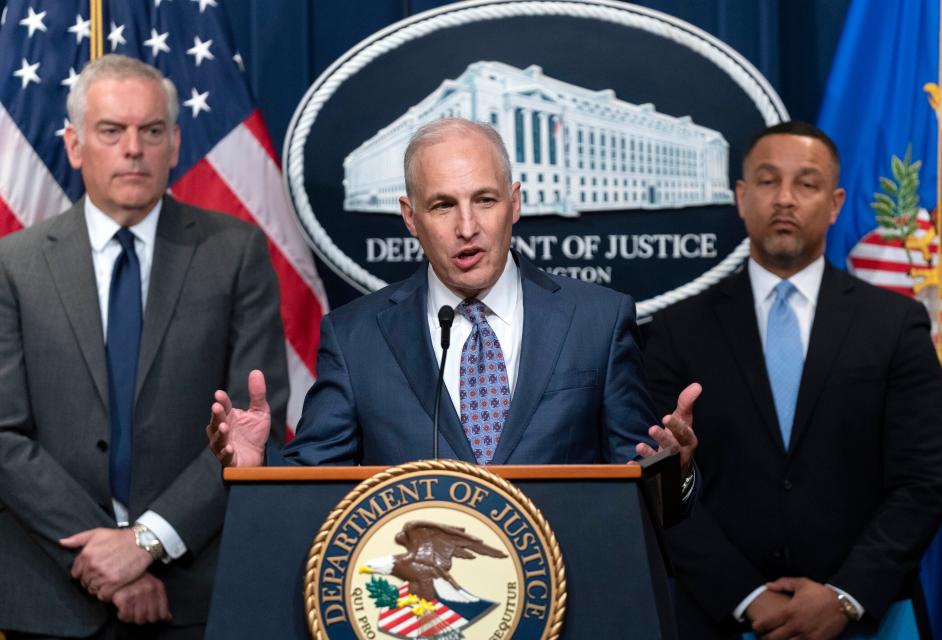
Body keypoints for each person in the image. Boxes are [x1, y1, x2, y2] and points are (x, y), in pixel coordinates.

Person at [208, 117, 699, 483]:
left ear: (516, 203)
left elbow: (640, 492)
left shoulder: (598, 320)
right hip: (421, 609)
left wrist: (673, 470)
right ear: (410, 216)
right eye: (443, 205)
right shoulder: (356, 337)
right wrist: (256, 466)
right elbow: (312, 485)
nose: (468, 228)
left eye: (485, 200)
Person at [0, 55, 288, 638]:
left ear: (175, 142)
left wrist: (150, 541)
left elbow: (253, 426)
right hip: (50, 596)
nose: (134, 148)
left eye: (151, 131)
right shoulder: (14, 264)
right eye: (112, 131)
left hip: (195, 595)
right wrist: (109, 562)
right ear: (75, 145)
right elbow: (4, 434)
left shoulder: (236, 253)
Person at [643, 121, 942, 639]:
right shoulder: (676, 331)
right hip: (719, 619)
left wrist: (845, 596)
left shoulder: (895, 326)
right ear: (741, 197)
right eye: (767, 181)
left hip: (867, 618)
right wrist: (744, 597)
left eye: (806, 184)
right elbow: (656, 480)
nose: (785, 198)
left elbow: (921, 484)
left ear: (834, 204)